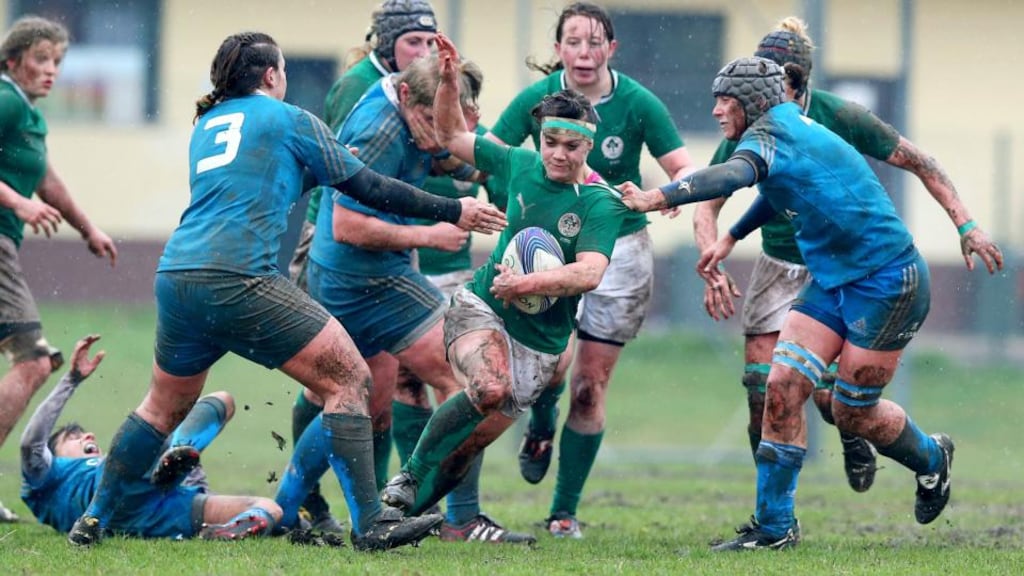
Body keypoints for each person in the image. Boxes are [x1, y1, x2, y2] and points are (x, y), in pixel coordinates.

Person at [65, 31, 505, 551]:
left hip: (177, 276)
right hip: (240, 278)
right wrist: (452, 209)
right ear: (272, 75)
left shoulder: (206, 126)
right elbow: (368, 187)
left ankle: (93, 518)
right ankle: (370, 524)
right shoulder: (288, 118)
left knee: (161, 407)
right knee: (350, 379)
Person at [621, 56, 1003, 550]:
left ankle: (932, 459)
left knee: (851, 413)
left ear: (753, 103)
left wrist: (659, 197)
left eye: (725, 101)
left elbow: (731, 177)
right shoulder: (782, 128)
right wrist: (732, 235)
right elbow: (781, 188)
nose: (716, 111)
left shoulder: (772, 136)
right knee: (782, 385)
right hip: (833, 281)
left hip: (890, 282)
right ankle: (775, 528)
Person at [692, 16, 988, 494]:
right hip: (776, 264)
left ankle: (857, 438)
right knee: (764, 388)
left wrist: (966, 223)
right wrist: (715, 254)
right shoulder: (747, 121)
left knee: (836, 403)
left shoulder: (840, 118)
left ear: (796, 80)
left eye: (773, 77)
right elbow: (710, 201)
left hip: (837, 270)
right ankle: (773, 514)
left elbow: (919, 161)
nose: (759, 89)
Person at [380, 33, 628, 523]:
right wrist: (449, 83)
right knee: (488, 388)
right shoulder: (519, 163)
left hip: (539, 342)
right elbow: (451, 137)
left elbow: (591, 272)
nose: (558, 154)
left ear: (589, 146)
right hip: (483, 308)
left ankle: (400, 521)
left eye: (571, 146)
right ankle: (405, 478)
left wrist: (527, 285)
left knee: (465, 447)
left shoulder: (601, 203)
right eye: (550, 142)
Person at [298, 53, 530, 544]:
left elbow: (453, 157)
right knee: (465, 375)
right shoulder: (378, 131)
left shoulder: (416, 110)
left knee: (364, 399)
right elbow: (346, 225)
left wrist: (522, 171)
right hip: (361, 279)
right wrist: (433, 232)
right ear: (406, 96)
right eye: (431, 118)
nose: (436, 130)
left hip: (364, 275)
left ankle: (323, 508)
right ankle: (458, 518)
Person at [486, 1, 695, 538]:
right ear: (558, 49)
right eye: (573, 42)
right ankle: (539, 422)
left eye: (594, 42)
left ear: (611, 49)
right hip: (544, 246)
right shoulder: (539, 100)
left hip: (617, 251)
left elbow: (682, 166)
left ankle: (563, 512)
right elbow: (491, 153)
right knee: (550, 370)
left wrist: (665, 194)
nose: (584, 52)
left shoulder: (637, 103)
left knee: (589, 387)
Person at [0, 15, 118, 521]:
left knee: (32, 363)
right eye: (41, 59)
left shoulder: (28, 113)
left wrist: (88, 227)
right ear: (12, 61)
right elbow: (33, 195)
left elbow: (47, 180)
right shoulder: (5, 99)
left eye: (58, 62)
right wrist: (20, 206)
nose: (51, 70)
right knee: (32, 362)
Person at [21, 334, 284, 539]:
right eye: (73, 437)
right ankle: (178, 450)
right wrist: (71, 380)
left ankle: (225, 531)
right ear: (53, 456)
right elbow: (30, 444)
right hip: (122, 486)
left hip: (160, 510)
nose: (86, 435)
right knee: (222, 400)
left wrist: (194, 478)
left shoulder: (65, 488)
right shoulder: (51, 479)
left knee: (271, 508)